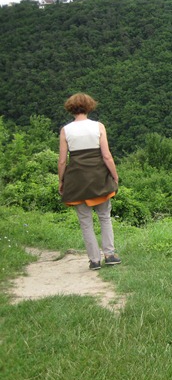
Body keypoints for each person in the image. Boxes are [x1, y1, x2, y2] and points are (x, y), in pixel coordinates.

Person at [58, 93, 121, 270]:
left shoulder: (66, 130)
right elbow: (106, 156)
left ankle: (94, 260)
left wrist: (61, 180)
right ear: (89, 107)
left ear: (70, 108)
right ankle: (109, 255)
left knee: (85, 222)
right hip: (99, 177)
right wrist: (115, 175)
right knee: (104, 217)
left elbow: (62, 161)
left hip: (76, 179)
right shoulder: (98, 127)